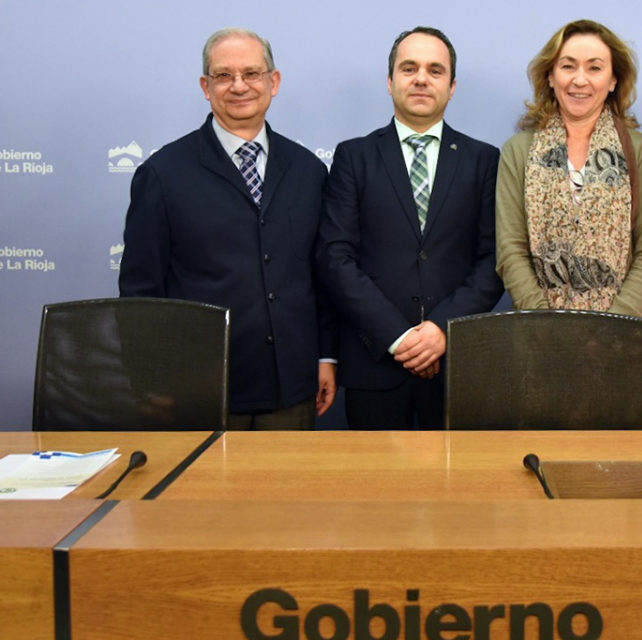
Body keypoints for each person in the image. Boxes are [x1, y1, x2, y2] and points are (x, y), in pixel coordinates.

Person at [119, 28, 337, 429]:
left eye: (252, 74)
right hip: (200, 388)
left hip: (291, 386)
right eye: (224, 76)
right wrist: (151, 380)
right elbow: (140, 292)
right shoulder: (163, 174)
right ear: (206, 86)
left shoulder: (309, 170)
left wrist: (325, 356)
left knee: (285, 492)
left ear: (274, 82)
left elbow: (320, 276)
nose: (239, 86)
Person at [320, 26, 502, 429]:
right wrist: (399, 338)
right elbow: (335, 258)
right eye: (409, 68)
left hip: (455, 364)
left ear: (452, 87)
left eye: (435, 70)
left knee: (458, 487)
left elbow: (494, 260)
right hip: (374, 363)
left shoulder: (484, 160)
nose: (421, 78)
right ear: (390, 82)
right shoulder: (354, 157)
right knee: (377, 489)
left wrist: (440, 330)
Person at [495, 20, 642, 340]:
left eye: (595, 68)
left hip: (623, 339)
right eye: (568, 66)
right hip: (542, 339)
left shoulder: (639, 149)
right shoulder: (518, 151)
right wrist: (546, 322)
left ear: (614, 79)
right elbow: (510, 251)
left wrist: (610, 326)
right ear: (550, 75)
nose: (580, 80)